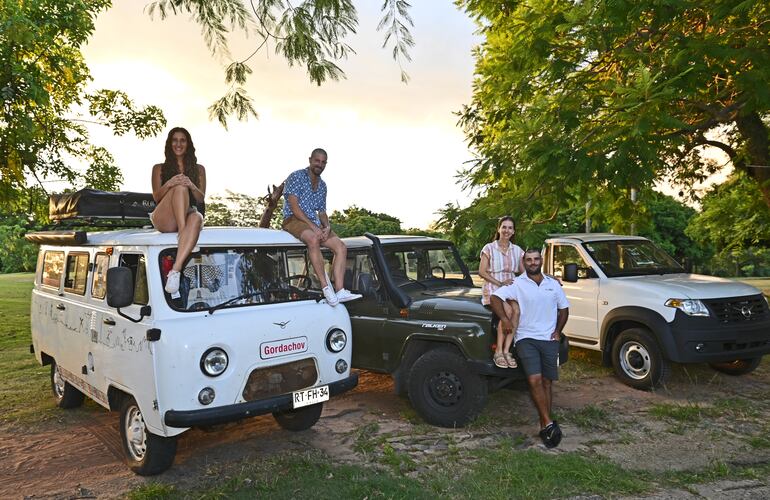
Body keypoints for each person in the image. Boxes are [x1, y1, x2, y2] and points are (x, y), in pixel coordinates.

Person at [490, 248, 569, 448]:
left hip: (549, 339)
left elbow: (564, 309)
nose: (532, 262)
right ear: (524, 263)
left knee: (547, 382)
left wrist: (558, 331)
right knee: (534, 380)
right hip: (526, 338)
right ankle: (549, 423)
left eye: (536, 259)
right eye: (528, 260)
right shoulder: (517, 284)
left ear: (541, 261)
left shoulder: (553, 284)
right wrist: (505, 319)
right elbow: (495, 299)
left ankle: (544, 424)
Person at [282, 148, 360, 306]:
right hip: (293, 219)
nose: (320, 164)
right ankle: (326, 288)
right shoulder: (296, 177)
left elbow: (322, 211)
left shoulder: (323, 185)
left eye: (323, 162)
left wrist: (327, 227)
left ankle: (340, 290)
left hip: (313, 222)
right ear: (310, 160)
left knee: (341, 246)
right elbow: (295, 207)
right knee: (313, 239)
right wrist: (314, 227)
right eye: (317, 160)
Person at [150, 127, 206, 294]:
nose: (178, 144)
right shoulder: (159, 168)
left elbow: (200, 198)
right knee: (180, 188)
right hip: (164, 217)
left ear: (188, 144)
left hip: (187, 213)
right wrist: (171, 183)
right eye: (175, 140)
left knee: (196, 217)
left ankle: (175, 270)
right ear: (169, 143)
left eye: (182, 140)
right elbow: (157, 197)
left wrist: (191, 184)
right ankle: (183, 233)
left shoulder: (199, 169)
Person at [479, 216, 524, 369]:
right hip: (493, 287)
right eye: (504, 227)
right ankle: (498, 351)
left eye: (510, 228)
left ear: (513, 231)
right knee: (509, 311)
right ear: (498, 229)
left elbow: (525, 273)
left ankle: (507, 350)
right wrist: (499, 283)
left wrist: (548, 278)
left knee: (517, 311)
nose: (506, 230)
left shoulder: (517, 251)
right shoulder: (489, 248)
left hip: (511, 288)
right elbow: (482, 272)